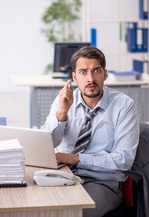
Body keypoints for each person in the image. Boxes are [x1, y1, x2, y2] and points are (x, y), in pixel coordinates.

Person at [42, 46, 139, 217]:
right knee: (39, 207)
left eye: (96, 71)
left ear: (105, 74)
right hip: (63, 174)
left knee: (75, 213)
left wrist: (76, 159)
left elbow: (124, 160)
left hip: (101, 182)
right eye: (83, 72)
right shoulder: (63, 100)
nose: (90, 78)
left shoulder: (124, 106)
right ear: (74, 77)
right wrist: (62, 113)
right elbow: (46, 145)